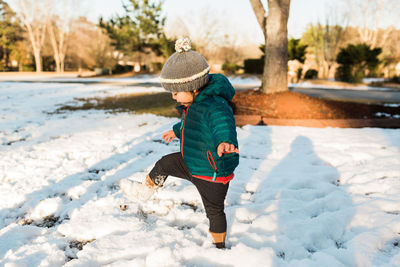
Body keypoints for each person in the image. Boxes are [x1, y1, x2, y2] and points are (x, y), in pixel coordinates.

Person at [120, 38, 239, 249]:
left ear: (192, 87)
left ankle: (219, 246)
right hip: (191, 162)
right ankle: (144, 191)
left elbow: (223, 123)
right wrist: (175, 131)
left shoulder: (214, 105)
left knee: (214, 211)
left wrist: (225, 141)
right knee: (165, 163)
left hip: (211, 172)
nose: (174, 98)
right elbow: (189, 124)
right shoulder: (192, 103)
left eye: (176, 92)